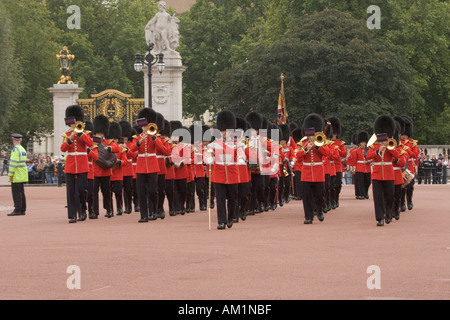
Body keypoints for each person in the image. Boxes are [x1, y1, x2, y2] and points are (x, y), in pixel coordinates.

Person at [60, 105, 93, 223]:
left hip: (82, 164)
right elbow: (63, 149)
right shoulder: (67, 135)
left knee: (81, 189)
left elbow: (89, 143)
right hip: (70, 165)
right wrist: (71, 137)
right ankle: (72, 215)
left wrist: (79, 134)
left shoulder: (84, 133)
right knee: (71, 191)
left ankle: (83, 210)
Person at [366, 115, 399, 227]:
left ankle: (389, 213)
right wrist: (377, 150)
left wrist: (389, 148)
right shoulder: (374, 145)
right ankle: (380, 218)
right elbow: (368, 156)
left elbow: (397, 155)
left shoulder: (391, 144)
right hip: (376, 174)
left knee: (390, 196)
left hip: (389, 174)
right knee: (378, 197)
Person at [296, 113, 329, 224]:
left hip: (318, 172)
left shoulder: (320, 142)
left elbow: (327, 153)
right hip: (306, 173)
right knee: (307, 197)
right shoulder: (303, 143)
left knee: (320, 195)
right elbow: (298, 156)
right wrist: (306, 149)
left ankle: (319, 211)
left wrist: (317, 146)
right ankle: (308, 216)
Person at [7, 134, 28, 216]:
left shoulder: (15, 149)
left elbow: (13, 163)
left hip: (16, 173)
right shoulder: (22, 149)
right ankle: (23, 209)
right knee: (21, 192)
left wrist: (10, 174)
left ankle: (17, 209)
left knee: (16, 192)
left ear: (13, 140)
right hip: (22, 172)